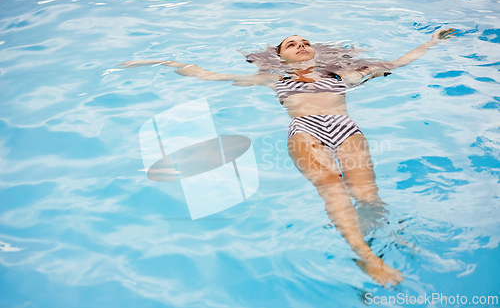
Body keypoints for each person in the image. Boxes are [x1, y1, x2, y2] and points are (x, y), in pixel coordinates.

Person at [118, 28, 456, 287]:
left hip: (346, 129)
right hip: (305, 132)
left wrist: (433, 41)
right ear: (280, 57)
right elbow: (208, 75)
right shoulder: (273, 78)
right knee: (332, 187)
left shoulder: (342, 75)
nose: (301, 45)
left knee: (368, 196)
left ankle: (387, 238)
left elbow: (397, 63)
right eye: (291, 44)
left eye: (305, 41)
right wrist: (161, 61)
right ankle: (365, 256)